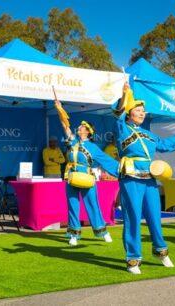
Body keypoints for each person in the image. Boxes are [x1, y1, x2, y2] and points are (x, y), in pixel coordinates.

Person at [113, 81, 175, 274]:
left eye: (143, 111)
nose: (141, 113)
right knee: (132, 218)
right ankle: (133, 258)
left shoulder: (148, 134)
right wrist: (124, 96)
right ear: (129, 112)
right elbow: (117, 114)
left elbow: (163, 145)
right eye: (138, 110)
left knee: (155, 217)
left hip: (150, 179)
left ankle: (160, 251)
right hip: (131, 178)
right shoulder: (121, 129)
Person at [55, 99, 119, 246]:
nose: (79, 127)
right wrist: (59, 108)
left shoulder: (94, 148)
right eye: (80, 126)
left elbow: (107, 161)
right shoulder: (73, 141)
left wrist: (122, 169)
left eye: (83, 126)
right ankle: (74, 234)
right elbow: (65, 124)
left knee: (92, 204)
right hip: (71, 176)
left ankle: (103, 232)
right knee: (72, 205)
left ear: (88, 131)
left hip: (86, 178)